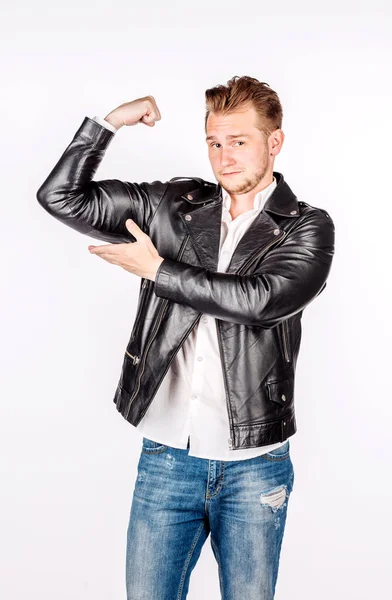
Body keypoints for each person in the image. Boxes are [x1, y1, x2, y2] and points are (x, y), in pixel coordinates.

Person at [36, 75, 335, 600]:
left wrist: (158, 270)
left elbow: (260, 301)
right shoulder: (175, 207)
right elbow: (62, 197)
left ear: (275, 142)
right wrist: (109, 123)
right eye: (214, 142)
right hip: (166, 458)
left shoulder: (306, 227)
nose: (224, 157)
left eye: (239, 141)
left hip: (255, 467)